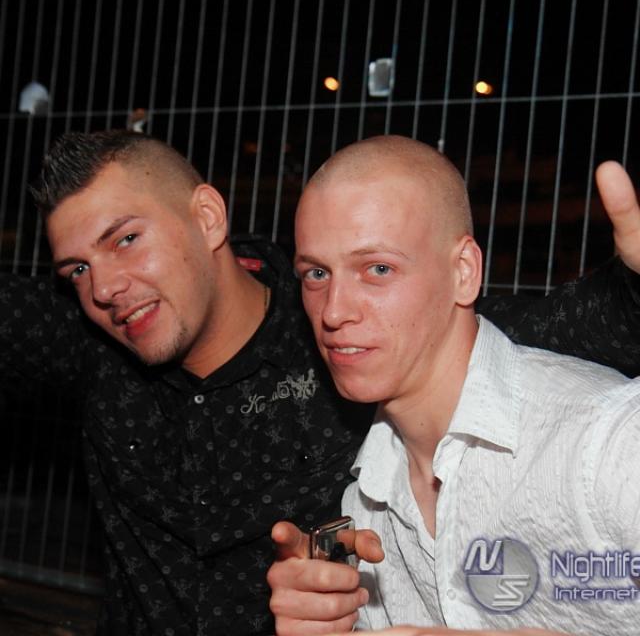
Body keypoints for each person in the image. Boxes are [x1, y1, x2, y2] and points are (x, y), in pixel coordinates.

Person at [0, 130, 638, 635]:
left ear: (208, 217)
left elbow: (543, 340)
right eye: (77, 268)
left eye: (127, 240)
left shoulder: (350, 352)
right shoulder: (374, 486)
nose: (105, 286)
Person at [267, 136, 640, 636]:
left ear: (464, 272)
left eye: (378, 269)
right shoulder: (367, 502)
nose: (333, 311)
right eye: (316, 273)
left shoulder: (606, 440)